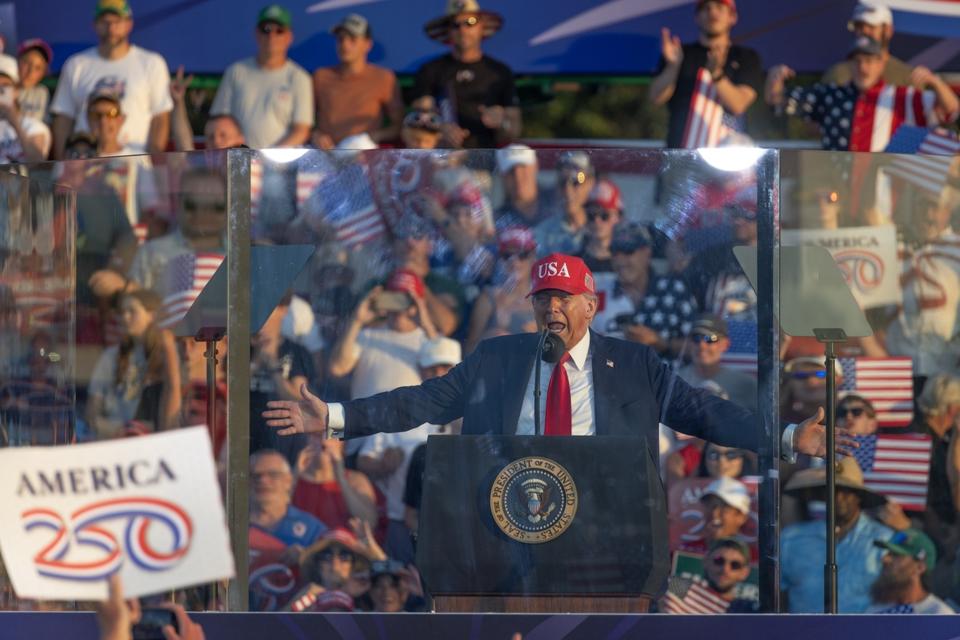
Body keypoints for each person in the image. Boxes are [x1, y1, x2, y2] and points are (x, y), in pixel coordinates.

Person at [265, 253, 846, 505]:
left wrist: (788, 438)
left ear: (591, 305)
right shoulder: (498, 359)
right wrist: (337, 417)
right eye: (543, 299)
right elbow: (422, 401)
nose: (552, 310)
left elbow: (705, 413)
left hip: (611, 515)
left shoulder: (636, 365)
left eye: (564, 299)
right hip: (510, 513)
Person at [357, 336, 462, 563]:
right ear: (420, 370)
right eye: (432, 367)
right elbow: (364, 460)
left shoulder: (471, 413)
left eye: (446, 367)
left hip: (453, 524)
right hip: (399, 521)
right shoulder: (399, 410)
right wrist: (381, 465)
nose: (439, 373)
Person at [765, 35, 959, 152]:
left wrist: (935, 82)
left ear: (882, 63)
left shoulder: (901, 97)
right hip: (837, 190)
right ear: (850, 64)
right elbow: (777, 100)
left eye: (869, 60)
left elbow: (951, 110)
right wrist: (775, 78)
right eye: (857, 61)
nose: (863, 67)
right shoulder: (831, 95)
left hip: (883, 198)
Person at [49, 0, 172, 159]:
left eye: (117, 22)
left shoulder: (152, 63)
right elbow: (64, 119)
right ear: (95, 25)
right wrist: (63, 167)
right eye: (105, 22)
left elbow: (160, 118)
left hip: (135, 164)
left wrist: (155, 163)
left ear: (129, 24)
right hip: (85, 163)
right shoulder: (76, 64)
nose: (111, 28)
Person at [781, 456, 894, 613]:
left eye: (846, 491)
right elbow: (778, 595)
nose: (838, 498)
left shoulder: (884, 540)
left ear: (859, 496)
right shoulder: (791, 539)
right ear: (823, 495)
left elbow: (894, 594)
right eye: (832, 491)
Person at [648, 0, 762, 148]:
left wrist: (716, 75)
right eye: (706, 8)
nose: (712, 12)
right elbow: (655, 97)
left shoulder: (746, 57)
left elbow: (738, 105)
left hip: (730, 158)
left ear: (732, 17)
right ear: (696, 17)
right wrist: (672, 66)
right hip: (681, 157)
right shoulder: (679, 53)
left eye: (720, 7)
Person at [413, 0, 520, 148]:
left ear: (481, 26)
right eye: (456, 25)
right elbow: (416, 122)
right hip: (441, 160)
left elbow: (514, 131)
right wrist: (439, 128)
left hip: (486, 160)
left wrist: (502, 122)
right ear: (448, 31)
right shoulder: (430, 70)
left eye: (470, 22)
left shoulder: (500, 72)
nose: (463, 29)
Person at [209, 4, 313, 148]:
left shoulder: (300, 78)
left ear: (289, 36)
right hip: (239, 163)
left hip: (280, 166)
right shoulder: (236, 71)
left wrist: (269, 159)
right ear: (256, 33)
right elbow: (219, 124)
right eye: (266, 30)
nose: (272, 36)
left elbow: (301, 131)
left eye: (279, 30)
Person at [885, 184, 960, 378]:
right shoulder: (894, 242)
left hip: (947, 371)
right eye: (922, 205)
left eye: (935, 207)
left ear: (948, 210)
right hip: (897, 369)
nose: (928, 215)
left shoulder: (957, 249)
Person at [591, 222, 697, 357]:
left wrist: (661, 343)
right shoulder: (598, 292)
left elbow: (698, 345)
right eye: (615, 252)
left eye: (628, 251)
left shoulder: (674, 290)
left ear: (647, 252)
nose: (620, 260)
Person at [85, 289, 180, 436]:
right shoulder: (110, 356)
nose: (125, 317)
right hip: (108, 437)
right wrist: (99, 425)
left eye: (132, 311)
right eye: (122, 312)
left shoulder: (165, 358)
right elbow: (93, 408)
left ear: (152, 315)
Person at [312, 14, 403, 148]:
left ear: (368, 45)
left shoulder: (384, 78)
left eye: (352, 39)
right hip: (325, 155)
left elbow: (398, 125)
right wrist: (315, 135)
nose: (345, 44)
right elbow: (303, 123)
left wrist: (372, 138)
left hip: (364, 158)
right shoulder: (321, 76)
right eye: (341, 39)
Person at [250, 293, 316, 467]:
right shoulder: (240, 349)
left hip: (283, 441)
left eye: (267, 309)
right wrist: (256, 359)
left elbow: (299, 398)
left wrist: (272, 365)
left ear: (283, 310)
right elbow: (230, 391)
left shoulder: (297, 352)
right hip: (244, 436)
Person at [464, 226, 538, 353]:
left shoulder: (543, 299)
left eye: (522, 255)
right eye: (507, 255)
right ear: (500, 258)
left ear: (533, 257)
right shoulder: (488, 298)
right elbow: (469, 349)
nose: (514, 262)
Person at [292, 434, 383, 535]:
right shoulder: (293, 477)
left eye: (331, 436)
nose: (324, 442)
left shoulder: (355, 480)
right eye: (316, 436)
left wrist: (341, 479)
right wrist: (294, 477)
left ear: (342, 445)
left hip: (343, 547)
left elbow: (369, 522)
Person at [249, 449, 327, 552]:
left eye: (273, 474)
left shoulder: (312, 529)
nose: (263, 481)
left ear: (288, 481)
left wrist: (304, 558)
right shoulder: (229, 525)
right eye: (255, 476)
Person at [822, 3, 914, 86]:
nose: (865, 31)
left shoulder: (907, 77)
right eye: (859, 26)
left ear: (888, 31)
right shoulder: (837, 75)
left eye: (871, 26)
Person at [677, 314, 756, 409]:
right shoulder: (676, 382)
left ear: (725, 344)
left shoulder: (746, 385)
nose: (702, 345)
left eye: (710, 339)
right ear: (689, 343)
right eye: (696, 338)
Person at [867, 528, 954, 614]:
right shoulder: (881, 605)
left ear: (919, 567)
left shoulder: (939, 614)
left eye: (896, 555)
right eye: (889, 553)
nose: (885, 559)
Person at [533, 151, 596, 256]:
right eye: (562, 182)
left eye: (576, 182)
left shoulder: (603, 227)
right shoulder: (542, 233)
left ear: (590, 183)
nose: (568, 191)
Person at [0, 53, 51, 163]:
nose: (1, 91)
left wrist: (15, 124)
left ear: (16, 91)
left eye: (5, 85)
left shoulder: (33, 126)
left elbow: (38, 162)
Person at [494, 144, 550, 230]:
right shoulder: (497, 222)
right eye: (511, 171)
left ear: (535, 166)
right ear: (502, 176)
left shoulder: (558, 205)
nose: (518, 176)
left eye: (523, 167)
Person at [576, 178, 623, 274]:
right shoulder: (574, 263)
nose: (597, 221)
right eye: (591, 216)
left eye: (604, 216)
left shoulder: (625, 264)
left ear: (618, 217)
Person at [16, 38, 53, 123]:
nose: (30, 72)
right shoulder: (4, 88)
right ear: (17, 61)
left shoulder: (42, 93)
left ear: (43, 73)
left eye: (38, 68)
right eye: (27, 63)